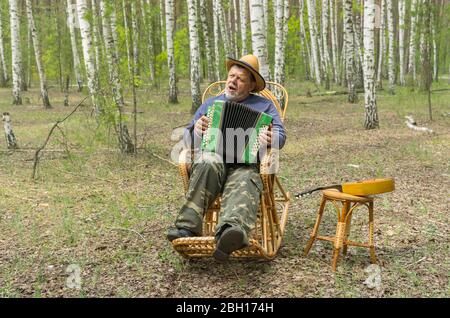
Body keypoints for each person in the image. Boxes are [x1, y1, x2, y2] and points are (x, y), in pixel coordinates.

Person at [167, 54, 287, 262]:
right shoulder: (211, 105)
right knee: (207, 162)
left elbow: (281, 136)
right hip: (214, 161)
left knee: (244, 177)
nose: (232, 81)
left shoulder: (265, 106)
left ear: (251, 86)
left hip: (246, 163)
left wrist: (270, 138)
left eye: (240, 79)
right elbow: (187, 141)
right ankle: (187, 228)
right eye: (231, 76)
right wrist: (196, 130)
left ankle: (230, 233)